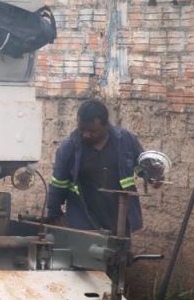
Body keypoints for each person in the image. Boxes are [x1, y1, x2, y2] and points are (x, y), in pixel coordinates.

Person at [46, 99, 145, 233]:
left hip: (119, 217)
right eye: (82, 130)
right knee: (88, 253)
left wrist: (152, 176)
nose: (86, 134)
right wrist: (54, 214)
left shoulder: (125, 141)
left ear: (106, 126)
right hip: (83, 217)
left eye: (92, 131)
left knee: (119, 252)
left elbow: (143, 165)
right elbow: (58, 184)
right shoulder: (69, 148)